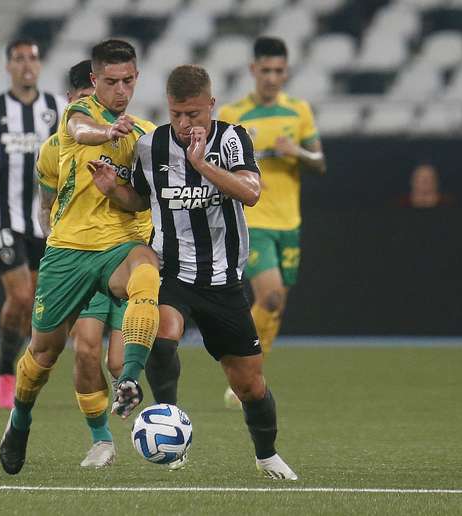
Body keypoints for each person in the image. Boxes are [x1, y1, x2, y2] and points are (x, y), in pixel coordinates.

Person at [91, 64, 298, 480]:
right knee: (161, 334)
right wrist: (114, 188)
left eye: (194, 114)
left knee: (250, 385)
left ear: (211, 106)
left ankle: (267, 454)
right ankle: (169, 421)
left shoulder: (233, 138)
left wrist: (201, 165)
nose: (185, 124)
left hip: (224, 282)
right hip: (173, 273)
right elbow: (140, 200)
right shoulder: (150, 146)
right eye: (177, 114)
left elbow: (251, 193)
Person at [0, 39, 160, 475]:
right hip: (69, 251)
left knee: (147, 268)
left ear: (137, 78)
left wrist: (116, 191)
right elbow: (81, 134)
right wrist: (108, 132)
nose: (120, 90)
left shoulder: (145, 136)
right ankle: (20, 420)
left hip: (119, 247)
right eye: (111, 82)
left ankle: (129, 379)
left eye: (128, 81)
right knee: (43, 355)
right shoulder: (76, 117)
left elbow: (140, 204)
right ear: (93, 82)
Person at [36, 59, 154, 467]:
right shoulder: (54, 148)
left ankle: (146, 406)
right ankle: (101, 439)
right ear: (73, 101)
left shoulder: (142, 137)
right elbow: (46, 206)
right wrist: (57, 242)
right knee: (86, 350)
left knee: (119, 362)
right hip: (79, 253)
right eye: (85, 102)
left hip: (123, 252)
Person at [217, 37, 326, 408]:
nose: (272, 77)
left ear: (286, 71)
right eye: (266, 70)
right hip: (253, 220)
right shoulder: (233, 114)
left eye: (279, 71)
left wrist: (295, 152)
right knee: (271, 295)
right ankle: (242, 371)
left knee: (276, 306)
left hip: (288, 222)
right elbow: (212, 167)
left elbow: (319, 163)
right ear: (253, 70)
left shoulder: (299, 111)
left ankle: (250, 373)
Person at [0, 38, 67, 410]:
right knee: (19, 297)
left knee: (33, 303)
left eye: (32, 59)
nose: (26, 65)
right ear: (8, 66)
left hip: (42, 218)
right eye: (19, 59)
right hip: (1, 214)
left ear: (39, 65)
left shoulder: (57, 108)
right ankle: (7, 375)